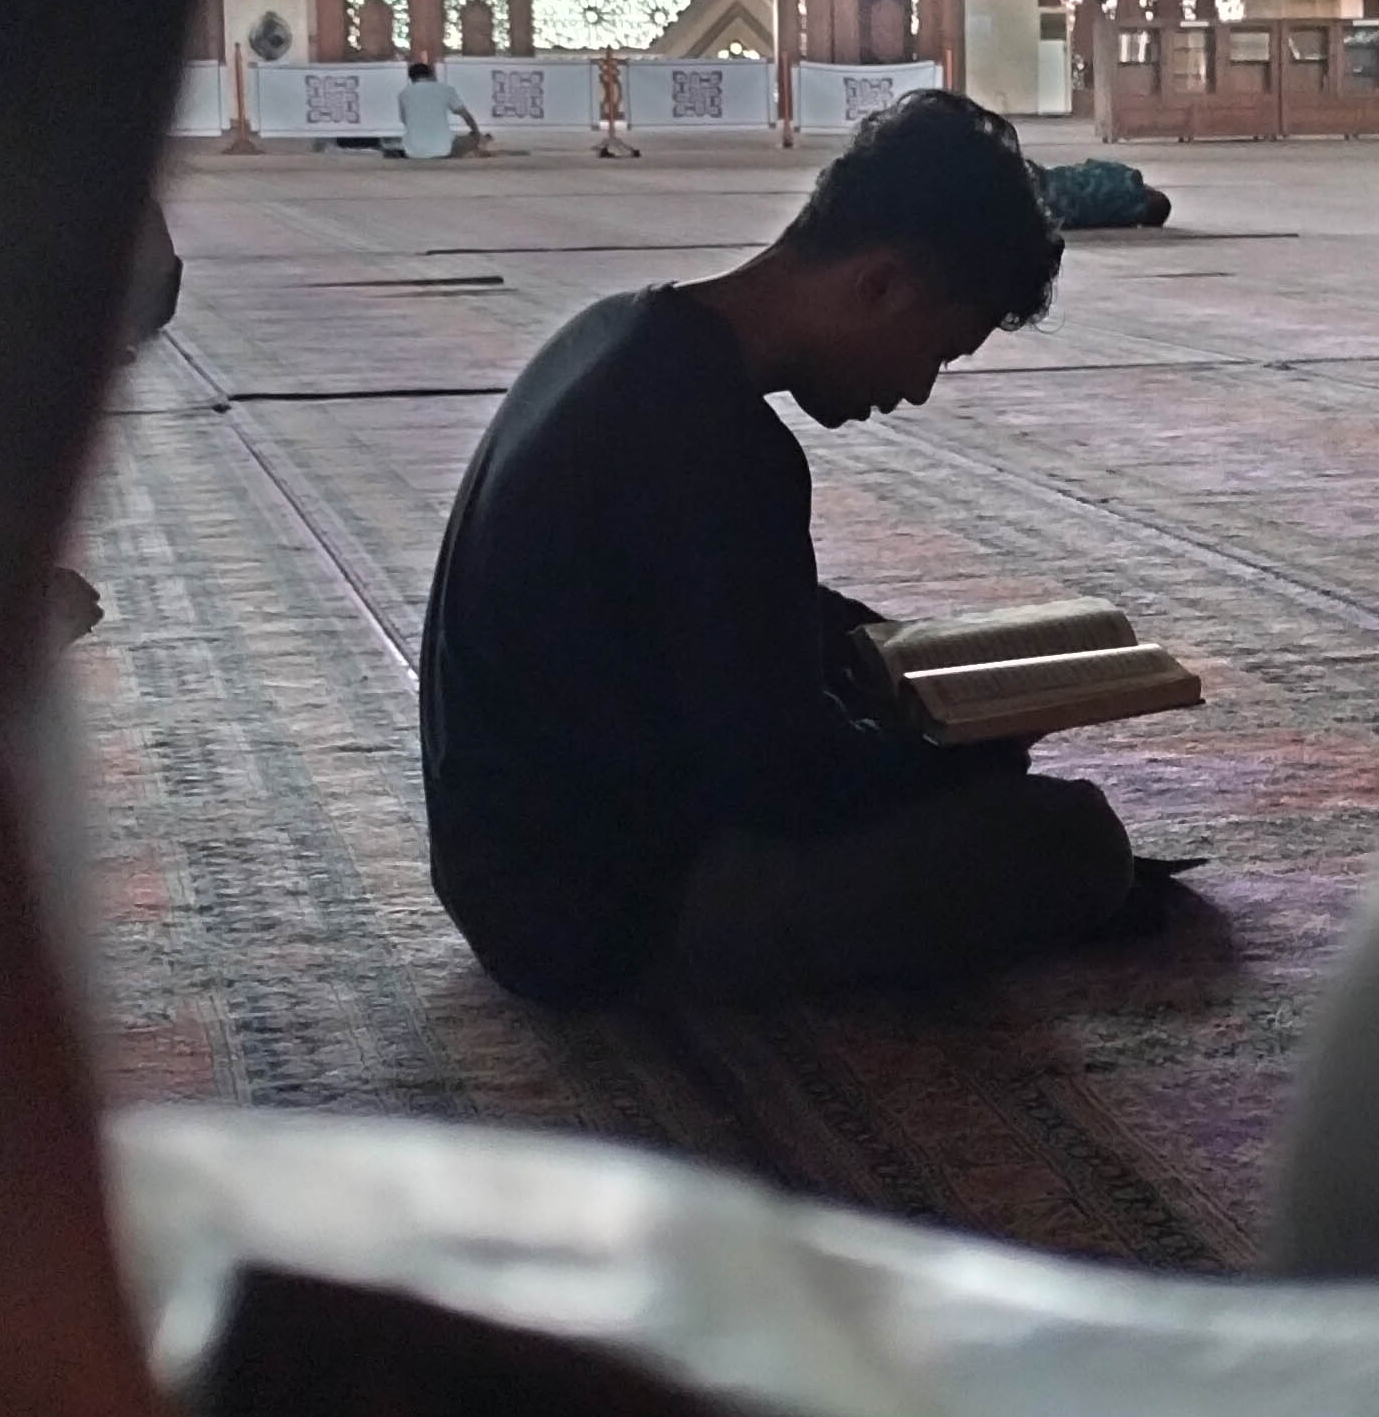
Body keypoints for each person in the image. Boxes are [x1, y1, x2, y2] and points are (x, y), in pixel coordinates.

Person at [419, 89, 1141, 1005]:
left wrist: (888, 655)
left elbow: (713, 613)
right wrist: (969, 756)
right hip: (597, 916)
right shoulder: (718, 440)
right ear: (878, 284)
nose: (917, 390)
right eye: (939, 351)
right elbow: (788, 786)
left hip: (507, 866)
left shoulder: (623, 332)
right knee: (1071, 840)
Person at [1039, 157, 1173, 230]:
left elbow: (1090, 164)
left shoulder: (1126, 175)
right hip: (1052, 203)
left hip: (1052, 183)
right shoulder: (1126, 217)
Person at [392, 60, 485, 160]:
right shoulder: (446, 89)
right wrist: (476, 133)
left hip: (413, 151)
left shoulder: (403, 94)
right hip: (444, 150)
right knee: (472, 139)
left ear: (410, 78)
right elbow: (465, 115)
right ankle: (477, 147)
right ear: (431, 75)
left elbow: (405, 121)